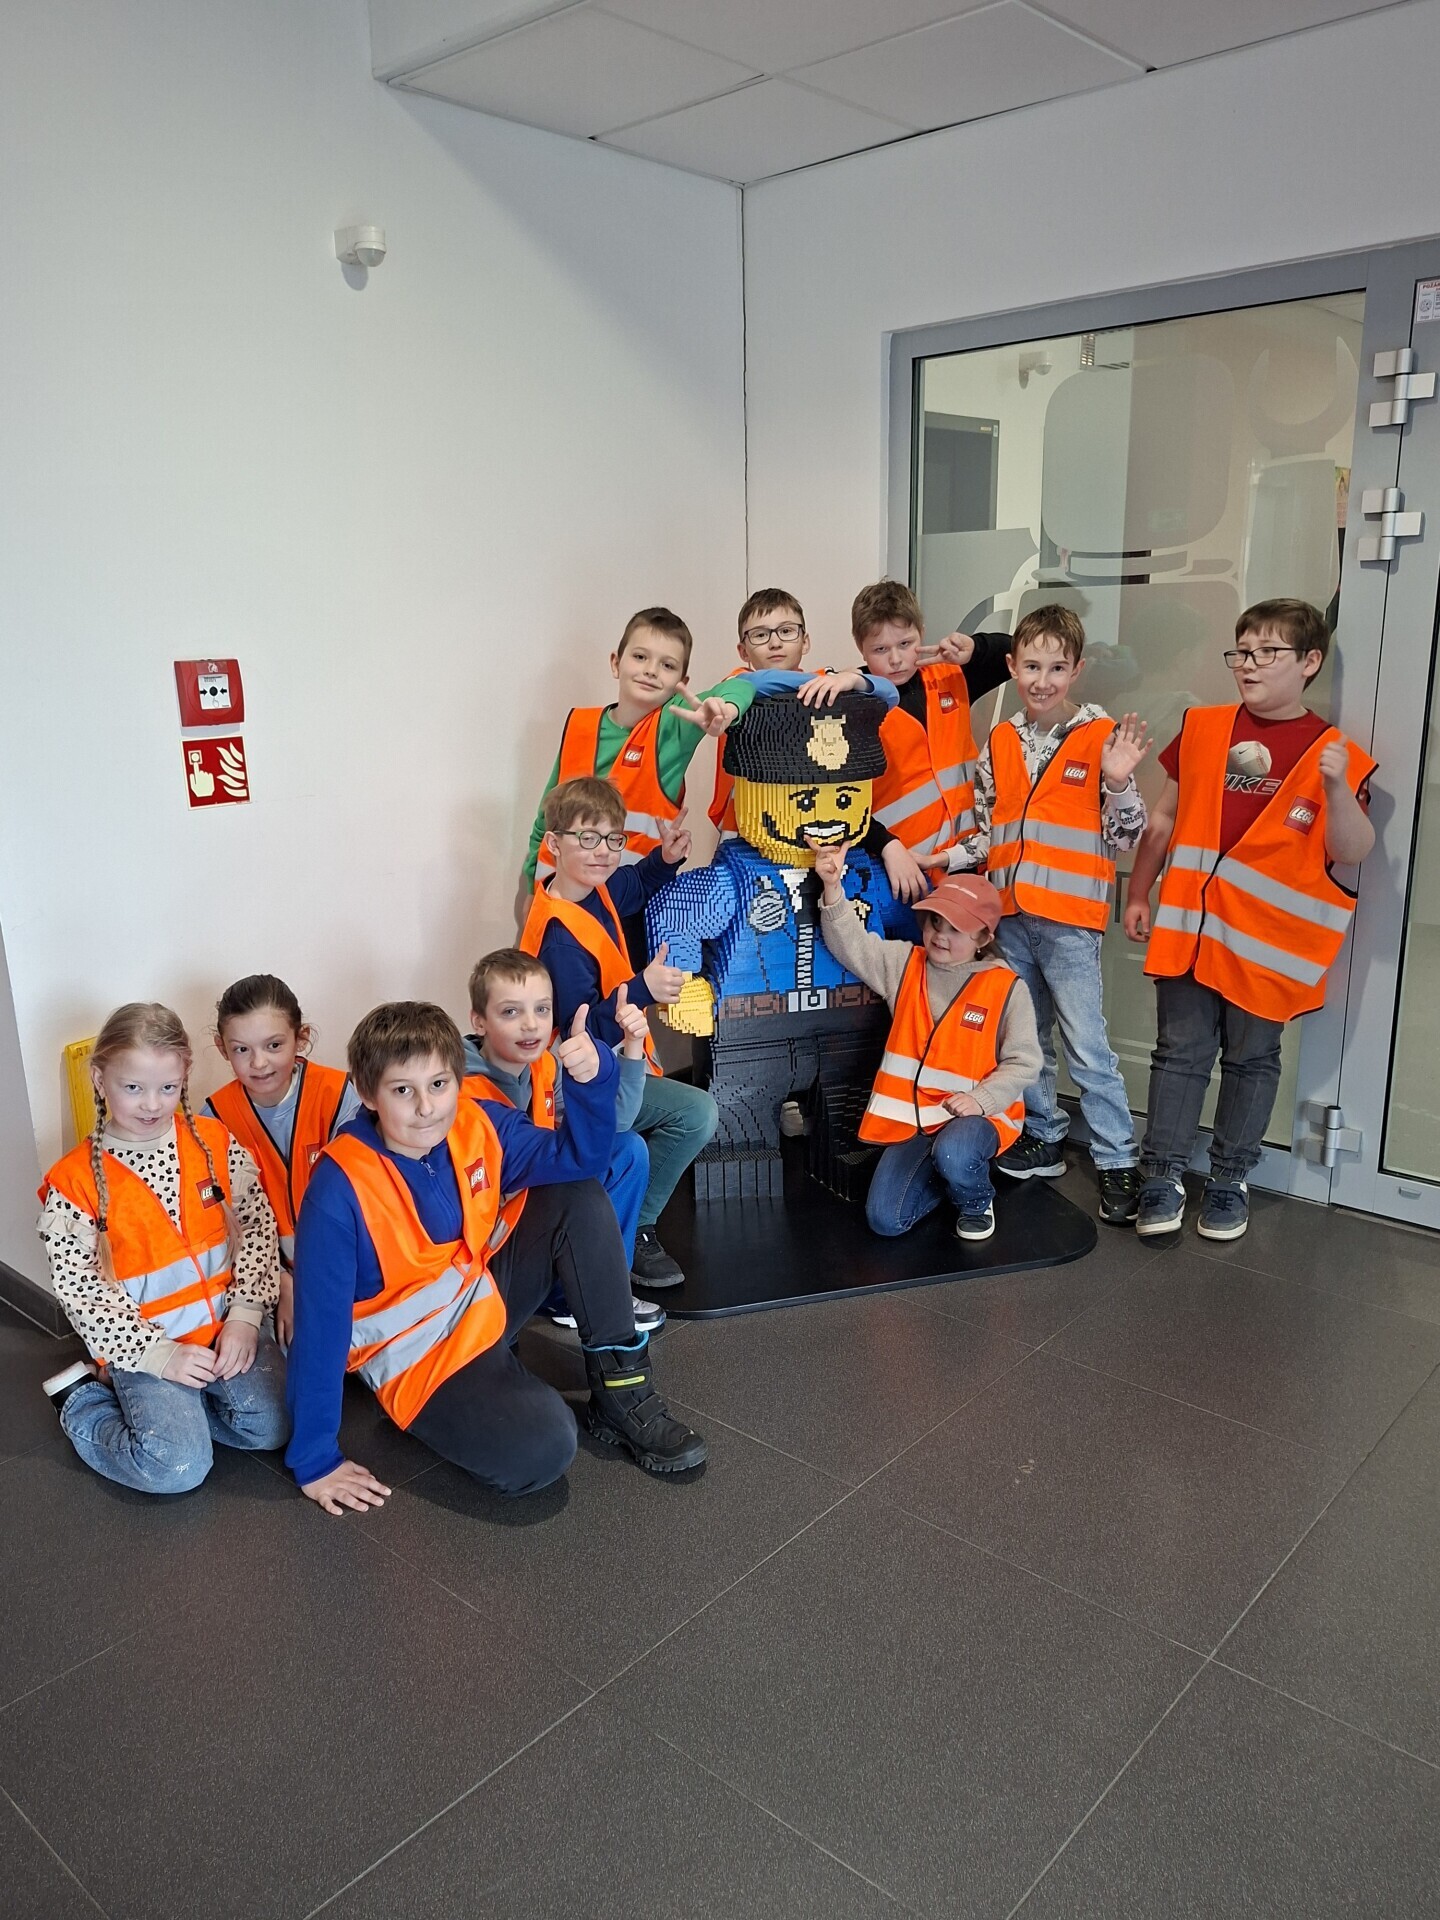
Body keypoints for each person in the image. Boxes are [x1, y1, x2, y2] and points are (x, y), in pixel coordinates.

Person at [285, 1001, 706, 1512]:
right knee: (546, 1448)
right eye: (403, 1091)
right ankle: (459, 1403)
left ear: (457, 1079)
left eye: (438, 1084)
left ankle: (623, 1395)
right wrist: (315, 1460)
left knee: (574, 1192)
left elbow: (579, 1159)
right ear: (368, 1094)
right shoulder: (338, 1187)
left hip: (480, 1300)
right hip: (420, 1357)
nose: (426, 1107)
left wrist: (593, 1082)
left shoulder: (475, 1120)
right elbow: (320, 1327)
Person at [1124, 598, 1376, 1241]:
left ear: (1310, 662)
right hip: (1190, 930)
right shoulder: (1204, 727)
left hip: (1266, 945)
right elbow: (1163, 817)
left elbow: (1352, 850)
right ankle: (1162, 1175)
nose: (1249, 664)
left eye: (1267, 652)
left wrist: (1338, 788)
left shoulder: (1334, 753)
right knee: (1179, 1054)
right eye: (1241, 652)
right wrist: (1139, 891)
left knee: (1252, 1059)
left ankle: (1230, 1178)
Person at [924, 605, 1150, 1224]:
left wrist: (1118, 782)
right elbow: (988, 832)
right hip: (1011, 917)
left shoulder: (1100, 737)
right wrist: (939, 859)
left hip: (1070, 921)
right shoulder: (999, 740)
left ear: (1076, 670)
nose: (1042, 680)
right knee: (1028, 1038)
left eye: (1056, 668)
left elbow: (1127, 836)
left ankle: (1116, 1158)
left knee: (1087, 1045)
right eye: (1030, 666)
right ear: (1011, 667)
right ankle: (1044, 1134)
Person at [36, 1001, 289, 1492]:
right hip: (146, 1348)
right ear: (100, 1079)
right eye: (133, 1088)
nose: (152, 1105)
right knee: (177, 1468)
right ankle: (85, 1399)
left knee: (276, 1426)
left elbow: (257, 1226)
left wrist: (245, 1315)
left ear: (184, 1077)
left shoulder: (214, 1143)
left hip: (225, 1333)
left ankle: (180, 1414)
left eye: (168, 1088)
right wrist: (157, 1356)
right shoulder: (74, 1182)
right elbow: (80, 1291)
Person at [521, 776, 718, 1288]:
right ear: (554, 843)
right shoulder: (559, 938)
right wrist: (644, 989)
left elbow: (632, 884)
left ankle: (634, 1225)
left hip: (611, 1066)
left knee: (693, 1113)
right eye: (588, 838)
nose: (604, 852)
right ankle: (620, 1234)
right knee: (678, 1121)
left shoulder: (591, 890)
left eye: (613, 839)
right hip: (571, 1085)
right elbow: (580, 1031)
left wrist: (665, 860)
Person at [815, 856, 1041, 1241]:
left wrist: (981, 1100)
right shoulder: (905, 964)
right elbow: (852, 945)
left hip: (978, 1120)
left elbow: (1024, 1063)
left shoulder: (1006, 988)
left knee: (956, 1152)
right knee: (885, 1221)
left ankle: (975, 1199)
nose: (940, 935)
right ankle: (951, 1176)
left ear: (983, 939)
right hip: (916, 1122)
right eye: (936, 921)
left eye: (957, 929)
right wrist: (832, 888)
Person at [460, 945, 662, 1332]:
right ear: (479, 1021)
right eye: (511, 1012)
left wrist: (632, 1047)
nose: (531, 1025)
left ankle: (602, 1289)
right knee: (571, 1181)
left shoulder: (545, 1065)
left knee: (627, 1151)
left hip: (541, 1198)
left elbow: (615, 1126)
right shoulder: (457, 1088)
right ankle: (572, 1294)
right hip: (490, 1241)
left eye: (542, 1009)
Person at [522, 605, 755, 890]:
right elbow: (546, 816)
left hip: (631, 904)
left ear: (681, 683)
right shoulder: (580, 725)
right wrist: (530, 885)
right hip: (557, 899)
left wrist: (726, 708)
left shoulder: (673, 726)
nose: (651, 671)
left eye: (667, 665)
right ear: (616, 663)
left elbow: (742, 686)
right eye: (640, 657)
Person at [208, 972, 361, 1345]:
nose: (259, 1063)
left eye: (274, 1045)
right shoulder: (214, 1119)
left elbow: (363, 1199)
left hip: (347, 1266)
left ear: (300, 1037)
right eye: (241, 1049)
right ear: (222, 1048)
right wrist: (279, 1280)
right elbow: (224, 1221)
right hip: (262, 1275)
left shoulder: (338, 1094)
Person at [850, 579, 1014, 905]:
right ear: (860, 648)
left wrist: (974, 648)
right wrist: (886, 845)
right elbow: (840, 803)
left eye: (905, 643)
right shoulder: (853, 702)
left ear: (922, 633)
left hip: (967, 864)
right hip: (900, 873)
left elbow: (1017, 652)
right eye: (880, 650)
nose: (895, 659)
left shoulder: (950, 676)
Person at [707, 588, 890, 834]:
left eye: (786, 631)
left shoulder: (827, 684)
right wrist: (830, 679)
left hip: (814, 818)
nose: (775, 643)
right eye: (760, 635)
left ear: (805, 642)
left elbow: (889, 693)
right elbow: (760, 681)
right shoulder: (736, 685)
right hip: (745, 824)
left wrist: (854, 680)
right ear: (743, 651)